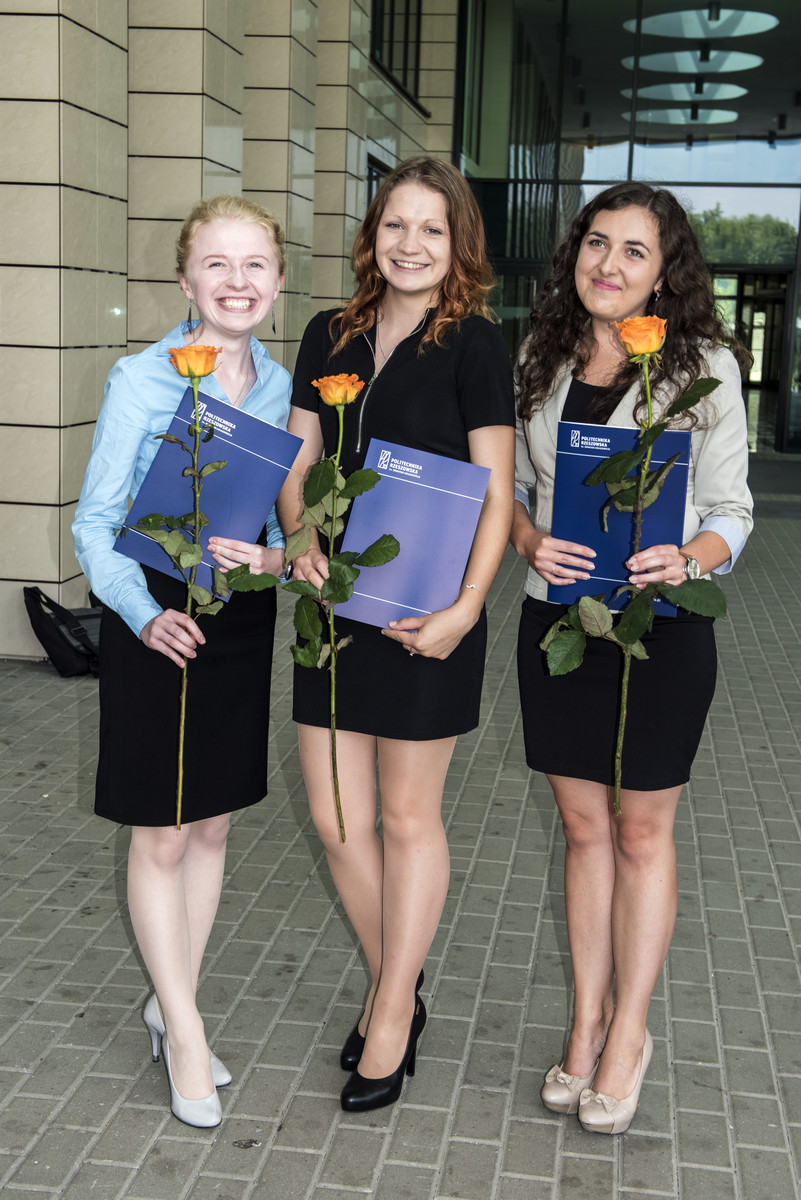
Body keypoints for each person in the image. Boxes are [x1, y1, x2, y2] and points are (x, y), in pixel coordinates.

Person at [512, 182, 753, 1134]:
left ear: (666, 274)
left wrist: (688, 558)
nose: (607, 265)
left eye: (634, 251)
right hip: (562, 623)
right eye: (595, 243)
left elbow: (731, 511)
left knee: (641, 834)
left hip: (662, 629)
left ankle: (628, 1034)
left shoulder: (706, 368)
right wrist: (530, 541)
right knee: (582, 831)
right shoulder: (539, 356)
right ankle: (584, 1022)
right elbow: (514, 492)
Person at [278, 156, 515, 1112]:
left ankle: (387, 1015)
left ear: (458, 245)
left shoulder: (475, 345)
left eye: (430, 229)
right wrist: (298, 532)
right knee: (337, 820)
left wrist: (466, 607)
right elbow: (299, 461)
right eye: (394, 225)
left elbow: (496, 491)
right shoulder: (328, 333)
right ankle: (400, 987)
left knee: (408, 819)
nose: (409, 244)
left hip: (426, 611)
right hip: (330, 608)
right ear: (370, 234)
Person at [73, 195, 291, 1128]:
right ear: (185, 281)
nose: (237, 282)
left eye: (254, 264)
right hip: (154, 614)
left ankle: (172, 1004)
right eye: (216, 264)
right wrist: (138, 615)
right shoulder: (139, 378)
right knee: (159, 832)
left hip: (237, 615)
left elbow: (278, 523)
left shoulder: (280, 387)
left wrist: (273, 560)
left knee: (210, 826)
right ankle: (189, 1034)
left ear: (278, 281)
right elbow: (94, 523)